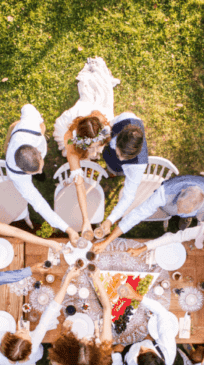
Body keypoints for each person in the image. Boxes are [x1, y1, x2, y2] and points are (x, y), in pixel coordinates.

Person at [53, 57, 120, 238]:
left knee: (98, 97)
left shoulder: (100, 119)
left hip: (92, 122)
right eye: (91, 146)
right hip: (73, 139)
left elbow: (105, 129)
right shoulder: (70, 140)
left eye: (96, 144)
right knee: (75, 154)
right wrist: (85, 221)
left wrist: (102, 141)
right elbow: (79, 184)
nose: (95, 149)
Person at [0, 267, 82, 365]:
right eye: (26, 334)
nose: (27, 331)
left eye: (20, 332)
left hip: (1, 363)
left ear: (8, 338)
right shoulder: (34, 344)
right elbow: (52, 310)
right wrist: (67, 280)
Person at [5, 104, 81, 244]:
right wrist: (68, 229)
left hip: (26, 133)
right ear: (25, 172)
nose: (40, 171)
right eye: (36, 171)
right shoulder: (18, 177)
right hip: (15, 144)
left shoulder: (30, 126)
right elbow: (40, 205)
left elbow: (27, 107)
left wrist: (40, 121)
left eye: (39, 167)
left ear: (38, 153)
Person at [93, 175, 204, 254]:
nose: (179, 212)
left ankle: (187, 218)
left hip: (199, 211)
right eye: (179, 207)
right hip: (166, 206)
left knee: (190, 217)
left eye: (184, 211)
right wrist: (107, 241)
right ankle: (184, 216)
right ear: (182, 192)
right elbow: (136, 215)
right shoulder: (163, 194)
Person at [48, 270, 113, 365]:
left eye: (81, 341)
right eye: (88, 342)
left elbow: (63, 333)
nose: (84, 338)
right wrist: (97, 281)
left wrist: (65, 328)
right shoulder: (104, 346)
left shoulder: (65, 351)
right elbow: (107, 309)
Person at [110, 284, 177, 365]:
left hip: (124, 350)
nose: (142, 347)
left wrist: (117, 355)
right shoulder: (168, 350)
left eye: (140, 352)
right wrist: (137, 297)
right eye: (149, 349)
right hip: (147, 337)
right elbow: (162, 313)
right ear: (159, 357)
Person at [97, 112, 148, 236]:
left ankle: (114, 172)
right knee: (111, 165)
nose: (121, 159)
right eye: (120, 154)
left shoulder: (138, 165)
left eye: (125, 158)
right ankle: (111, 171)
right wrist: (99, 138)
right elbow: (109, 126)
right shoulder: (126, 117)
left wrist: (110, 220)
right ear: (119, 139)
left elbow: (128, 197)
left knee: (117, 169)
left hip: (125, 167)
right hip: (109, 152)